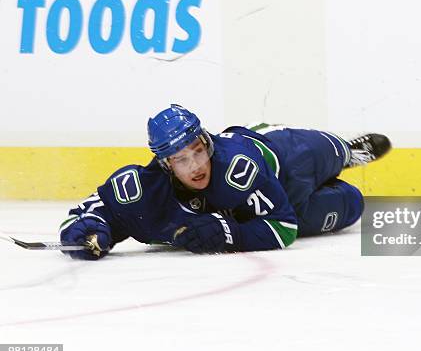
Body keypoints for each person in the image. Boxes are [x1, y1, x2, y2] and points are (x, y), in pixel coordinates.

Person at [59, 104, 391, 260]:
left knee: (332, 150)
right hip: (287, 206)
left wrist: (230, 236)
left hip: (281, 160)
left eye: (199, 151)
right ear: (164, 164)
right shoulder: (143, 187)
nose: (196, 166)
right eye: (181, 160)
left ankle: (347, 152)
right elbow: (87, 214)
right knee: (353, 203)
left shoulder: (237, 167)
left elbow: (282, 229)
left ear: (208, 142)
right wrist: (89, 232)